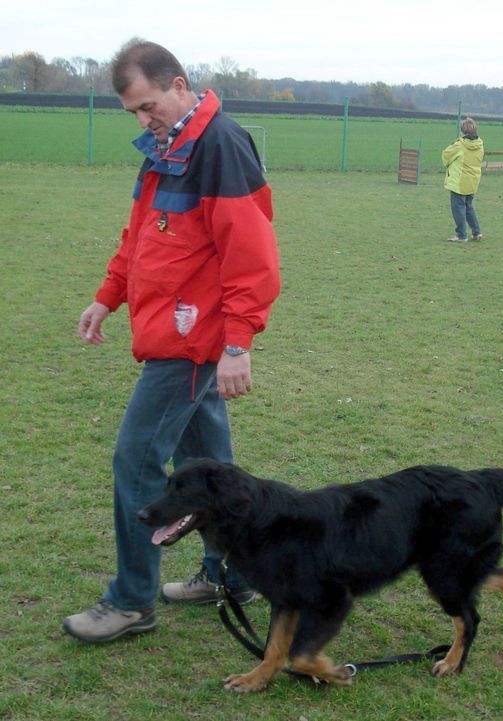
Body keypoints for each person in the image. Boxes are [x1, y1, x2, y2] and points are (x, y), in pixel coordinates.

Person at [63, 40, 280, 643]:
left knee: (136, 460)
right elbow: (139, 239)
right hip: (166, 330)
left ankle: (131, 600)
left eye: (148, 105)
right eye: (133, 111)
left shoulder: (220, 145)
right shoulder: (164, 146)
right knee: (205, 466)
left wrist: (238, 342)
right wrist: (108, 295)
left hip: (190, 340)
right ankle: (231, 573)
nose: (142, 119)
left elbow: (253, 257)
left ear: (179, 84)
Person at [442, 117, 484, 242]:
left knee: (458, 208)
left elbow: (445, 156)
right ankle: (477, 232)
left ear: (462, 131)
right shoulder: (480, 144)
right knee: (469, 206)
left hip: (459, 182)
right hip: (473, 181)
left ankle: (461, 235)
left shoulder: (459, 145)